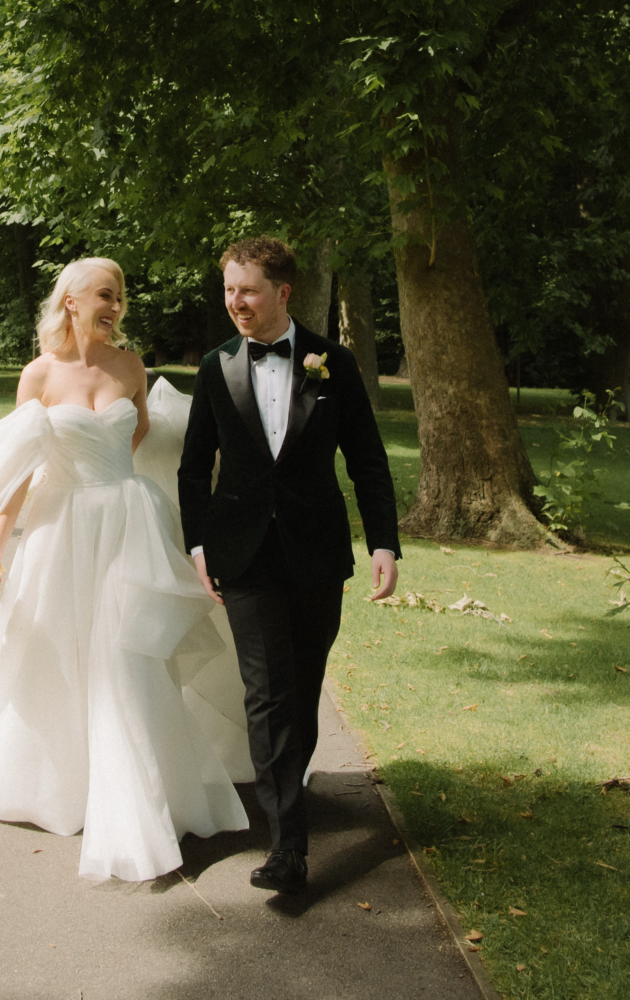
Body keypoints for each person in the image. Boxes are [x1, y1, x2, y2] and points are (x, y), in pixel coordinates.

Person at [0, 257, 251, 882]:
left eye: (120, 297)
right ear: (71, 301)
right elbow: (19, 475)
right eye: (105, 295)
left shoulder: (131, 366)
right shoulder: (37, 376)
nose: (115, 306)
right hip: (63, 535)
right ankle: (68, 784)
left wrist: (107, 481)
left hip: (127, 525)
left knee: (126, 653)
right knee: (63, 656)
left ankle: (138, 790)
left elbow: (137, 431)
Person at [178, 236, 400, 897]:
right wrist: (198, 547)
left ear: (282, 292)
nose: (235, 303)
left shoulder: (335, 364)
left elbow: (366, 458)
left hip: (316, 552)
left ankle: (289, 802)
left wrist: (383, 543)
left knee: (301, 690)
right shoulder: (217, 367)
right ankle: (288, 850)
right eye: (227, 291)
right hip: (242, 554)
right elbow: (195, 466)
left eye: (247, 290)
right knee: (266, 692)